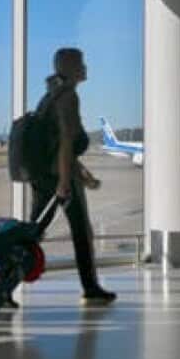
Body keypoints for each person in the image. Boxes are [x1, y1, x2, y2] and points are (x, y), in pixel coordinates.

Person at [29, 47, 116, 306]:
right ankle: (90, 288)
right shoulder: (67, 97)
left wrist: (83, 174)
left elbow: (58, 144)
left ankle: (2, 281)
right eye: (80, 63)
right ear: (66, 67)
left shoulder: (51, 95)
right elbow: (66, 141)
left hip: (47, 175)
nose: (85, 67)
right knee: (81, 231)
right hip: (60, 177)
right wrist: (66, 181)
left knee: (34, 232)